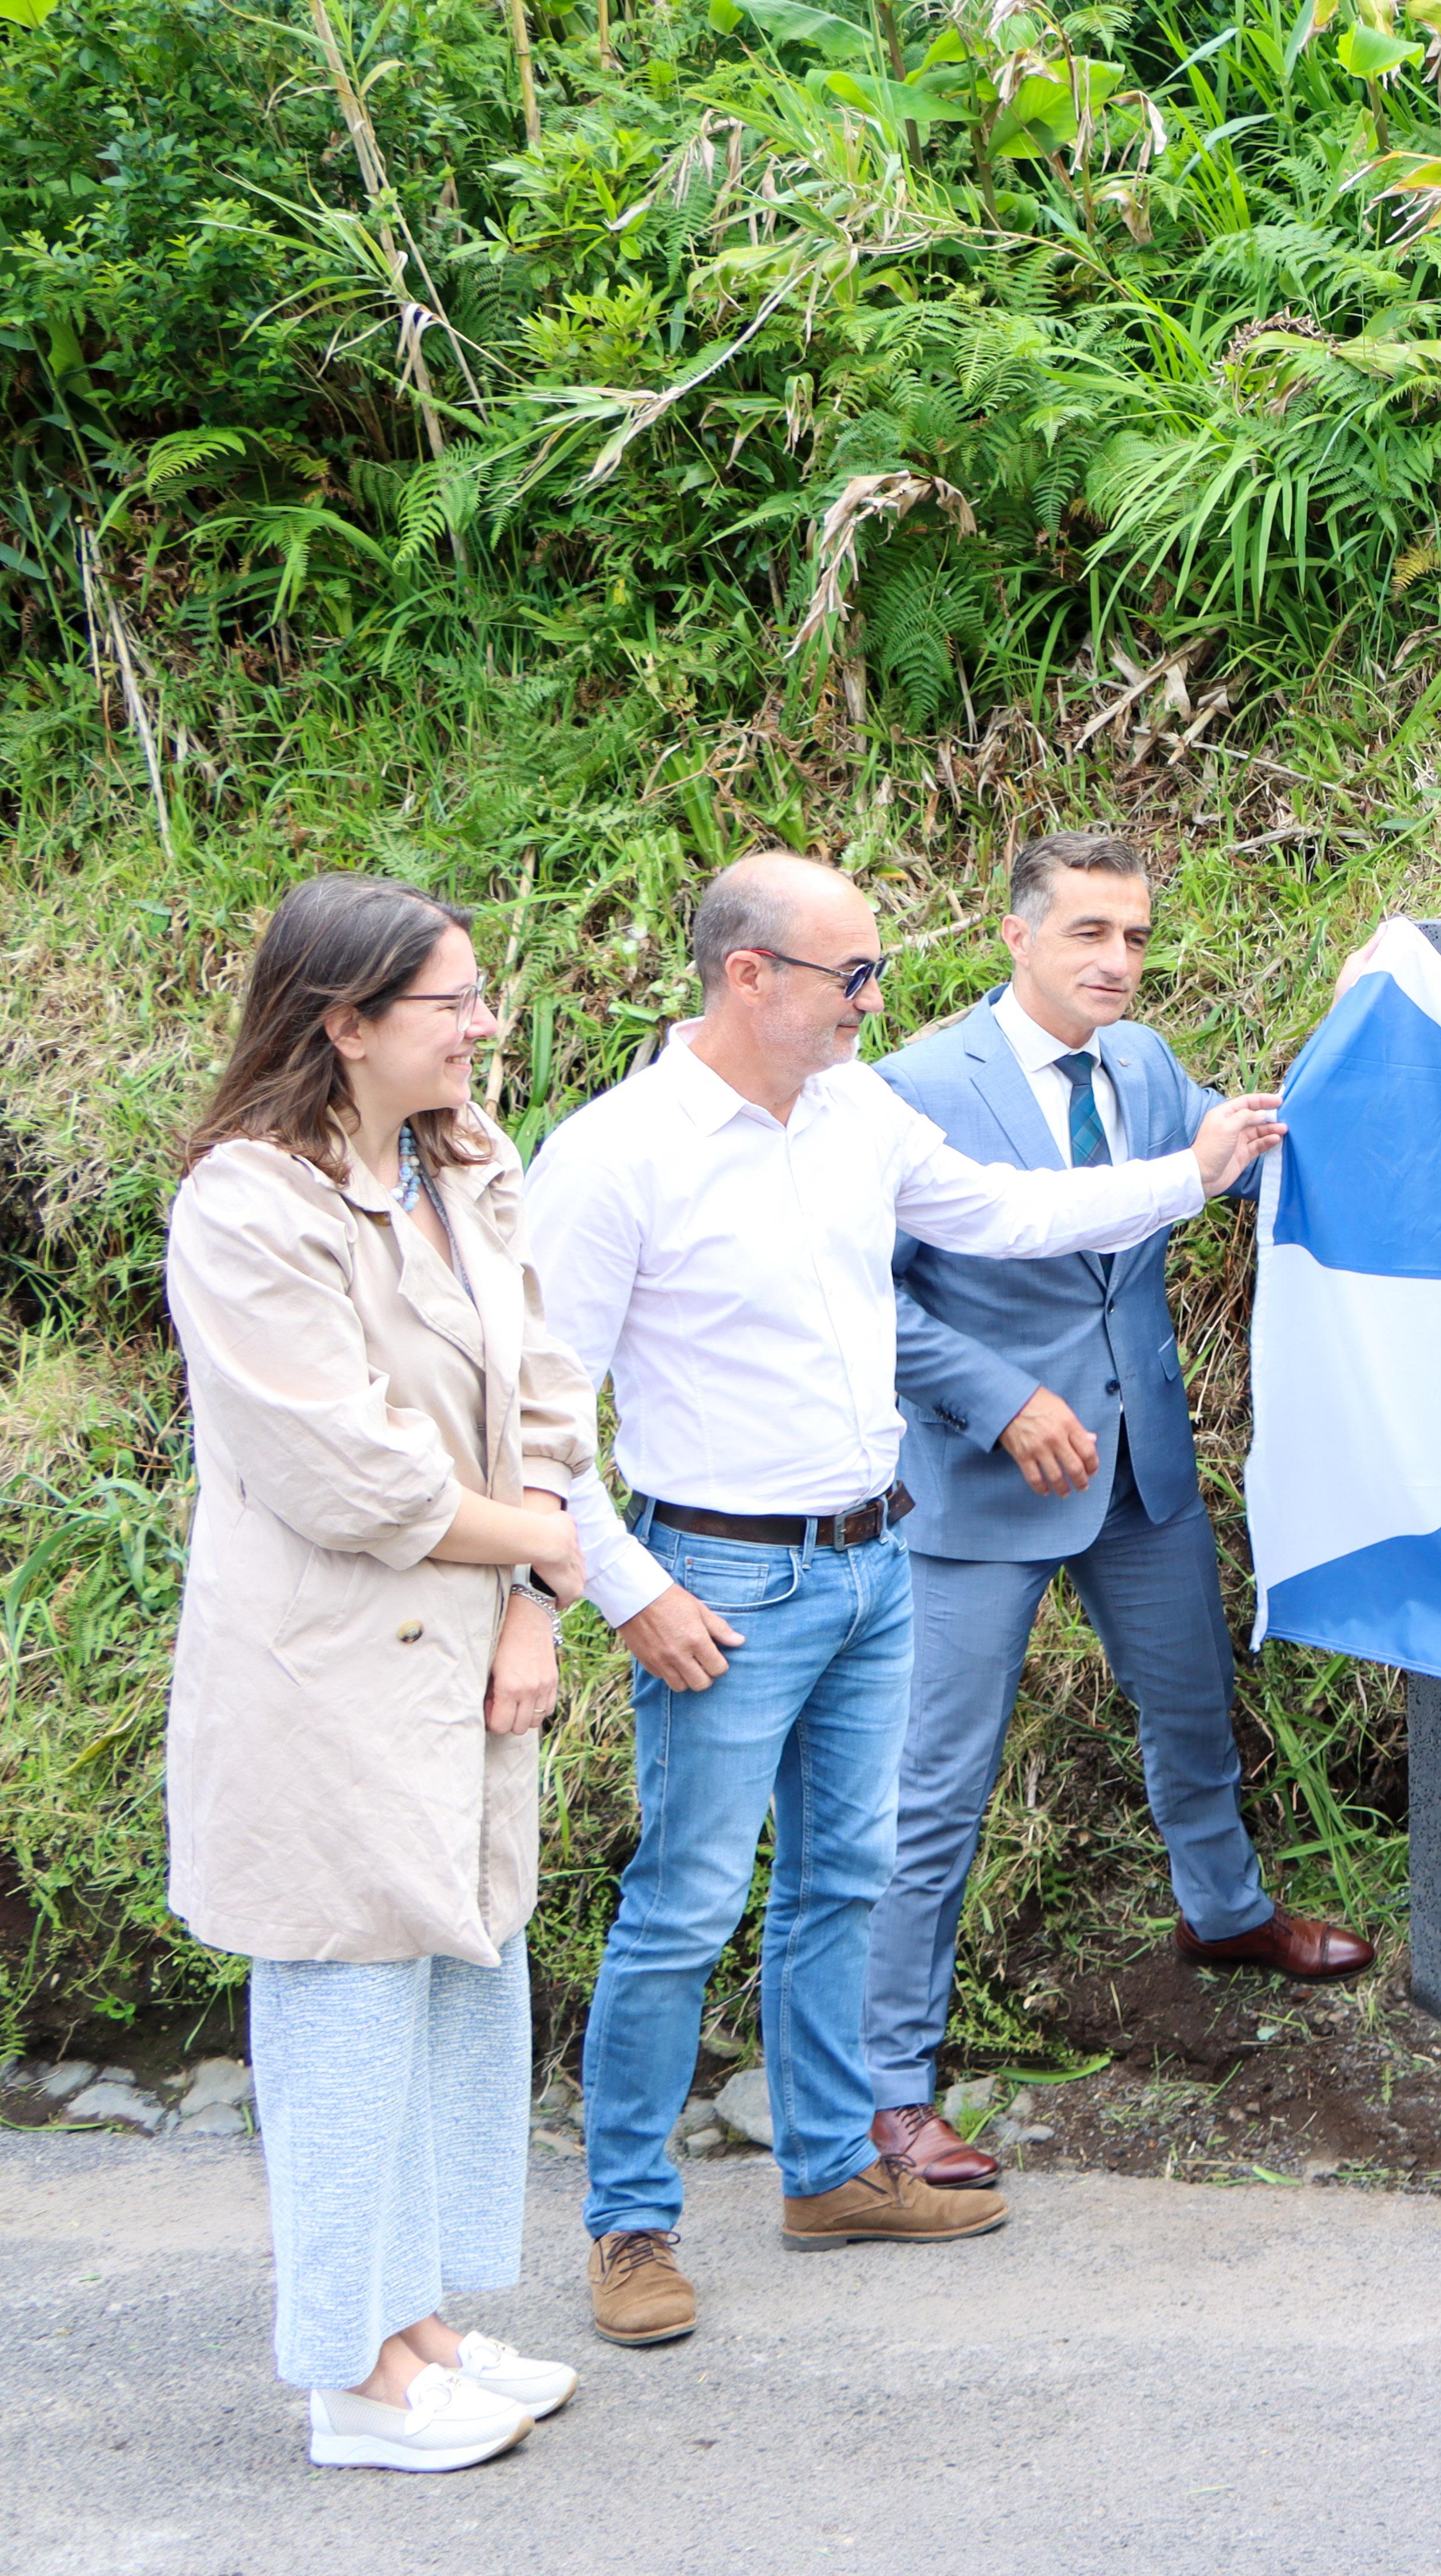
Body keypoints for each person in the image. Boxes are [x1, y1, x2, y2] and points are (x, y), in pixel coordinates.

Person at [527, 852, 1284, 2350]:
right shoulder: (615, 1156)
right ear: (749, 974)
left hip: (878, 1556)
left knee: (840, 1881)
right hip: (721, 1577)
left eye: (874, 971)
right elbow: (541, 1415)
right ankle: (630, 2223)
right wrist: (628, 1589)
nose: (874, 1001)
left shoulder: (855, 1112)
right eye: (851, 976)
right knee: (684, 1906)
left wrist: (1192, 1171)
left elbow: (1004, 1214)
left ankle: (829, 2173)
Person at [856, 832, 1370, 2191]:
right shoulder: (915, 1086)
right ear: (1016, 935)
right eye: (1090, 932)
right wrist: (997, 1402)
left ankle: (1225, 1913)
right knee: (937, 1786)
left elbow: (1237, 1161)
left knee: (1194, 1708)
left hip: (1141, 1469)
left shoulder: (1141, 1064)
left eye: (1136, 935)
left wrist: (1368, 1039)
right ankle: (890, 2088)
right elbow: (863, 1292)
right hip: (981, 1485)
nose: (1119, 960)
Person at [162, 875, 598, 2471]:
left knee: (456, 1977)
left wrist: (537, 1606)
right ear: (342, 1023)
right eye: (452, 1003)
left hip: (472, 1640)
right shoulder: (246, 1206)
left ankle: (416, 2321)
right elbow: (346, 1470)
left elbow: (544, 1389)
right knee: (348, 1997)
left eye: (481, 995)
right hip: (327, 1671)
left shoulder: (463, 1159)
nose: (485, 1026)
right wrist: (540, 1545)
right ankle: (351, 2375)